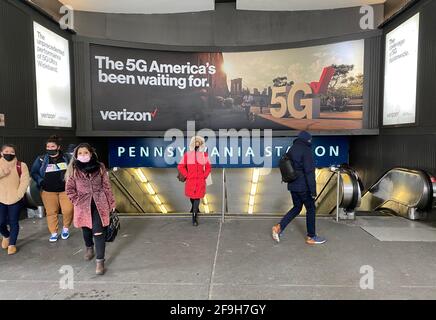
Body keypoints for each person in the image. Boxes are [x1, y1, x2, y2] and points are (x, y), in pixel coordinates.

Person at [65, 143, 116, 275]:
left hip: (100, 203)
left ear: (91, 154)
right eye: (80, 153)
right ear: (76, 156)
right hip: (83, 205)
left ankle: (100, 261)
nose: (83, 155)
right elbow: (69, 189)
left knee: (98, 232)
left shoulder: (100, 167)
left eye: (85, 153)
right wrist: (77, 201)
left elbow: (106, 186)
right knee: (87, 229)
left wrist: (111, 202)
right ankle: (89, 247)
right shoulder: (73, 169)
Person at [272, 131, 326, 245]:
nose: (310, 141)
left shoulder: (292, 149)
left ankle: (279, 227)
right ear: (307, 140)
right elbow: (309, 172)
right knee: (310, 209)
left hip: (292, 185)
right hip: (303, 186)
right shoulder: (306, 150)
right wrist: (313, 191)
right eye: (310, 140)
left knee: (297, 207)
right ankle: (311, 237)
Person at [31, 135, 73, 242]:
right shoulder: (41, 159)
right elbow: (34, 173)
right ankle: (53, 232)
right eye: (48, 147)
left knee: (68, 210)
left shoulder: (66, 158)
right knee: (51, 212)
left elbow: (73, 170)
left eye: (52, 146)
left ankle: (66, 228)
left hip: (65, 190)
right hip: (48, 191)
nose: (50, 148)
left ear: (58, 147)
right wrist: (41, 182)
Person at [0, 144, 30, 255]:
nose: (9, 153)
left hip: (15, 199)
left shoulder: (21, 165)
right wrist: (3, 172)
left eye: (12, 152)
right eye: (6, 151)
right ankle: (6, 235)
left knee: (13, 222)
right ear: (1, 153)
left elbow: (25, 181)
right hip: (1, 198)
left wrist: (18, 195)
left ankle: (12, 244)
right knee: (1, 222)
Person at [177, 136, 211, 226]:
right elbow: (180, 166)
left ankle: (194, 218)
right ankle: (194, 208)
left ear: (201, 144)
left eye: (199, 142)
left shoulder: (204, 155)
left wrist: (204, 176)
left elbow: (208, 168)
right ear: (192, 143)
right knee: (192, 197)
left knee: (197, 198)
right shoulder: (187, 155)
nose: (197, 144)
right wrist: (187, 175)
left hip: (200, 181)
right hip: (191, 181)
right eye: (196, 142)